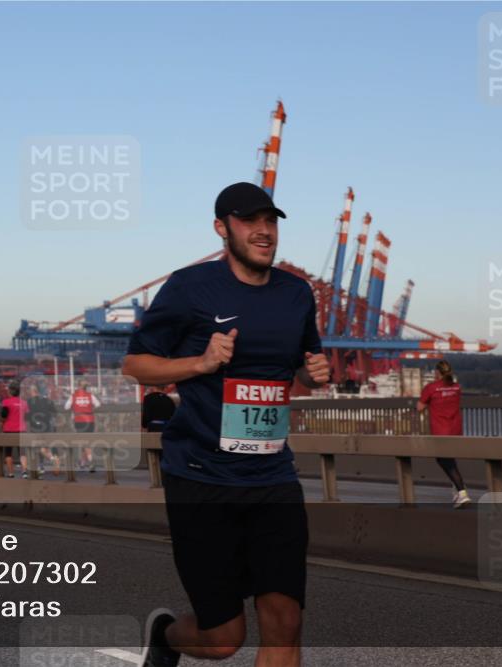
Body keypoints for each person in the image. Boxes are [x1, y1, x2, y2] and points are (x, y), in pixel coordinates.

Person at [123, 182, 330, 667]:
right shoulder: (190, 288)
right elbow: (137, 365)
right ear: (222, 228)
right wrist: (200, 363)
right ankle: (167, 637)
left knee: (285, 620)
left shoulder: (296, 293)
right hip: (200, 478)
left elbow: (300, 366)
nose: (263, 231)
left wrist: (312, 374)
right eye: (249, 221)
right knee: (222, 640)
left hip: (272, 478)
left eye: (271, 221)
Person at [418, 359, 470, 508]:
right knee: (449, 460)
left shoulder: (431, 388)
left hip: (441, 430)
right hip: (456, 430)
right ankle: (458, 489)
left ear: (437, 372)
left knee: (444, 460)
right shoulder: (457, 387)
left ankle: (462, 492)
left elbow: (420, 407)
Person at [65, 382, 101, 472]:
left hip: (79, 420)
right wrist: (89, 408)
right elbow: (98, 404)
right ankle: (82, 462)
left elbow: (66, 407)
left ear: (78, 386)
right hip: (90, 420)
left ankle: (91, 461)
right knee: (86, 441)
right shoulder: (90, 395)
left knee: (84, 442)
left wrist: (76, 407)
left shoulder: (74, 396)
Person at [27, 383, 60, 476]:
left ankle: (47, 462)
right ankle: (51, 461)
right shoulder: (47, 400)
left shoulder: (29, 402)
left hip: (36, 428)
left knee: (40, 448)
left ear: (33, 391)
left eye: (30, 390)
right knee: (49, 446)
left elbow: (27, 415)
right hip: (48, 426)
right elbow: (55, 413)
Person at [0, 383, 29, 478]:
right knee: (22, 452)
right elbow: (27, 416)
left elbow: (4, 415)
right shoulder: (24, 403)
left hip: (9, 429)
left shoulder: (6, 402)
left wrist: (1, 422)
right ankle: (24, 472)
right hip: (21, 429)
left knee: (8, 452)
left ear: (10, 392)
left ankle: (11, 473)